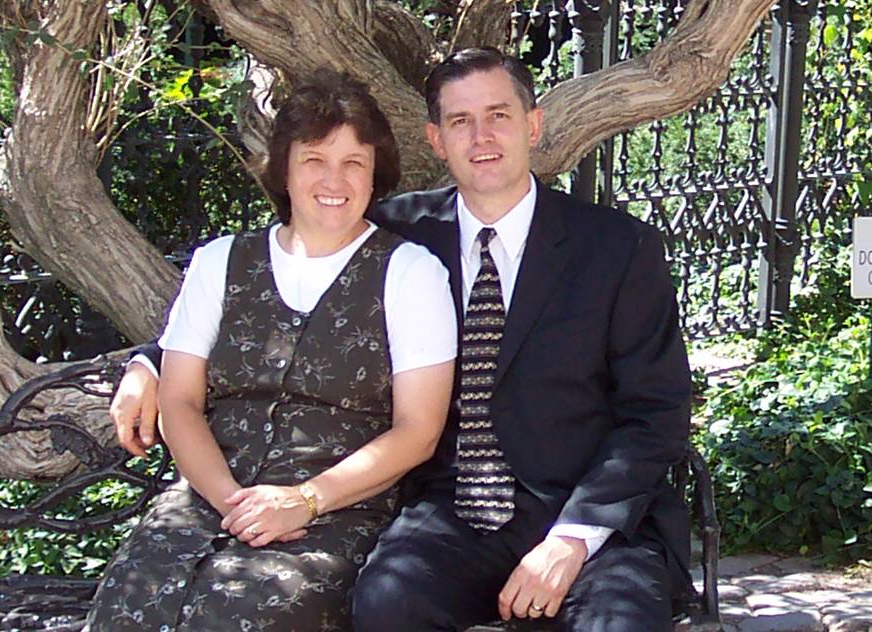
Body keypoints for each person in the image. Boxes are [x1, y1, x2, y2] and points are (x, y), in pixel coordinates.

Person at [113, 48, 693, 631]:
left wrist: (572, 538)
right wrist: (152, 363)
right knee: (388, 605)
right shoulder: (398, 234)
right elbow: (291, 283)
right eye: (460, 121)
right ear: (436, 139)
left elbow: (656, 412)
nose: (482, 137)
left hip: (584, 517)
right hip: (452, 512)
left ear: (533, 125)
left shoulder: (618, 249)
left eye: (498, 115)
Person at [86, 70, 456, 631]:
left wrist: (302, 500)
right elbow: (180, 402)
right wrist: (232, 503)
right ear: (284, 168)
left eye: (354, 162)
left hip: (333, 513)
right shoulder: (219, 262)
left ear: (375, 173)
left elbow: (418, 430)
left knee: (245, 616)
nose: (334, 179)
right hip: (204, 500)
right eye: (314, 159)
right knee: (127, 609)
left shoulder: (410, 273)